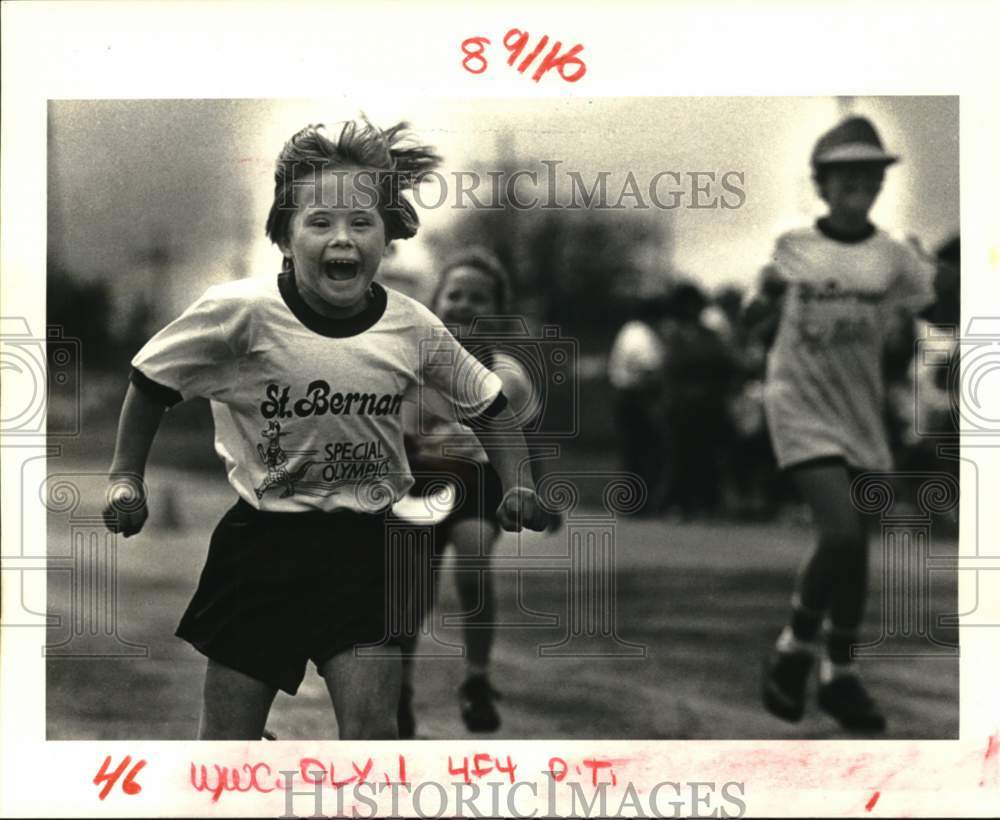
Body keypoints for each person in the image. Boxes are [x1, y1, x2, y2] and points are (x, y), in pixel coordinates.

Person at [102, 119, 548, 741]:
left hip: (365, 550)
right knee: (224, 752)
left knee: (372, 743)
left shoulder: (411, 326)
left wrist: (518, 482)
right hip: (260, 549)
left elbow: (489, 405)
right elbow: (150, 380)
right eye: (319, 222)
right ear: (284, 236)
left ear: (386, 238)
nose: (342, 237)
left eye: (361, 222)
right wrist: (127, 476)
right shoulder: (241, 314)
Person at [756, 116, 936, 732]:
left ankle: (840, 676)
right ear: (823, 184)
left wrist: (948, 274)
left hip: (859, 409)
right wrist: (760, 305)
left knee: (856, 550)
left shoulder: (896, 258)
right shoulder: (794, 245)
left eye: (870, 172)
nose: (859, 181)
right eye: (845, 173)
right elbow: (763, 305)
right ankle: (792, 652)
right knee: (839, 534)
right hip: (798, 402)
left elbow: (940, 303)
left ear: (881, 184)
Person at [394, 247, 543, 737]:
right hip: (419, 476)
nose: (464, 304)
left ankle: (477, 679)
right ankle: (398, 689)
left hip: (478, 479)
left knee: (474, 559)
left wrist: (530, 488)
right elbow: (393, 431)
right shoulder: (409, 367)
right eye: (454, 294)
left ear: (498, 311)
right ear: (435, 301)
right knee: (413, 586)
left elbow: (521, 440)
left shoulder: (509, 378)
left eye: (478, 297)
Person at [607, 295, 669, 513]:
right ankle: (640, 503)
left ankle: (633, 502)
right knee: (645, 450)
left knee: (634, 451)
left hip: (626, 395)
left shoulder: (629, 331)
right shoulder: (641, 335)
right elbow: (648, 369)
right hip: (636, 396)